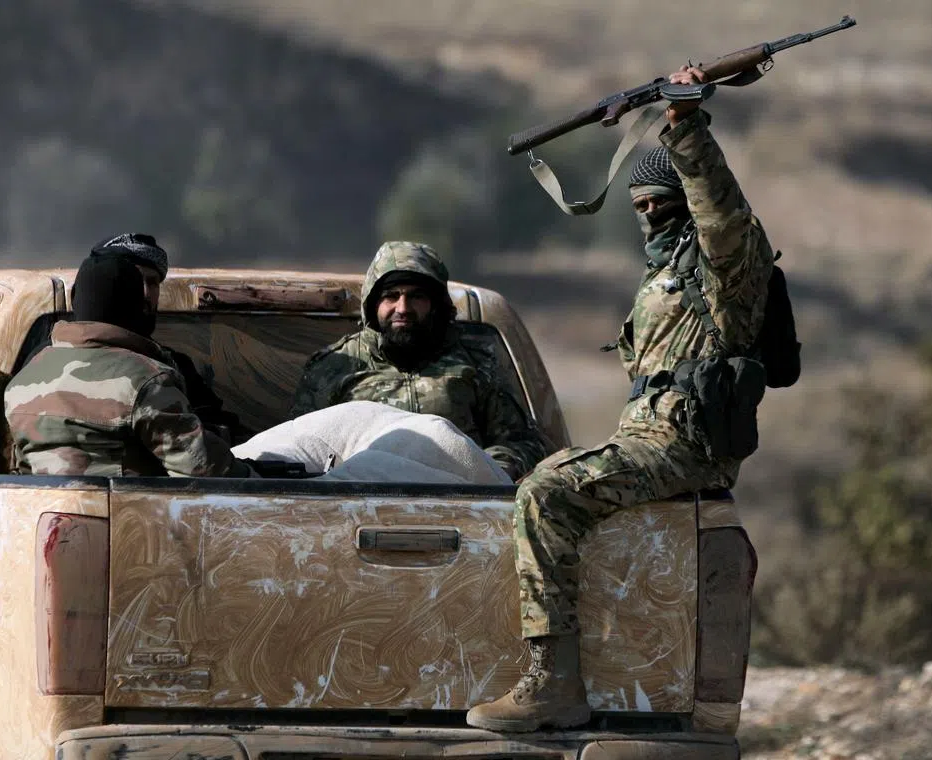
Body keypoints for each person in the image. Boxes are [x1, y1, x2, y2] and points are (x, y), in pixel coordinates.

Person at [466, 65, 776, 731]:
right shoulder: (664, 279)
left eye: (660, 204)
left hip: (686, 444)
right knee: (533, 477)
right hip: (649, 438)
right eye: (639, 209)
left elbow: (719, 209)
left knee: (547, 496)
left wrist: (685, 123)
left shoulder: (729, 268)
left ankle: (554, 684)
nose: (649, 217)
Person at [290, 240, 549, 481]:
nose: (403, 308)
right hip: (358, 506)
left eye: (416, 296)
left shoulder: (477, 363)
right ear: (373, 304)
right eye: (391, 296)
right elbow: (298, 450)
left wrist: (483, 473)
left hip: (460, 508)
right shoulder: (335, 366)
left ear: (435, 304)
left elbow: (523, 444)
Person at [5, 254, 254, 478]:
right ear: (139, 304)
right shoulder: (147, 380)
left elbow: (19, 468)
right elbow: (203, 469)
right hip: (132, 523)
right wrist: (260, 478)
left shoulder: (22, 380)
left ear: (74, 299)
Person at [87, 233, 239, 439]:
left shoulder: (173, 365)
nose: (145, 293)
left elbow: (214, 430)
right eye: (133, 281)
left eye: (152, 283)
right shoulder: (61, 358)